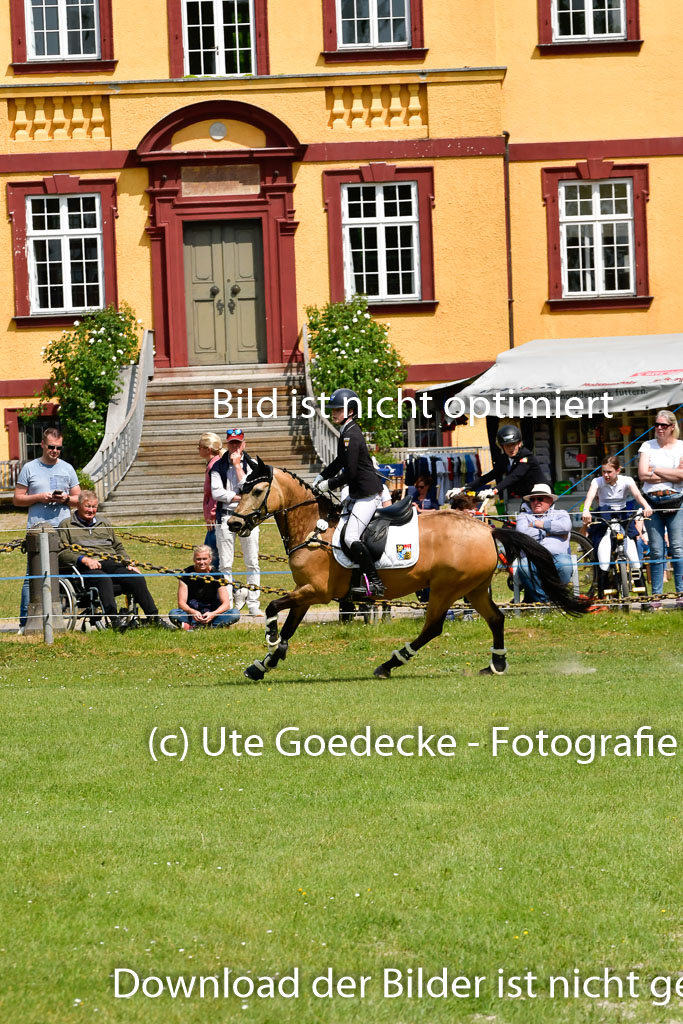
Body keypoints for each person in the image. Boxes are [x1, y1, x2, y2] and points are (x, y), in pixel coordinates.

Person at [58, 491, 173, 629]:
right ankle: (114, 620)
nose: (91, 510)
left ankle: (153, 618)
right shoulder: (66, 525)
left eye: (94, 507)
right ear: (79, 506)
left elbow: (117, 546)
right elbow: (62, 552)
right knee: (103, 579)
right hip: (86, 567)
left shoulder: (104, 522)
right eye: (88, 506)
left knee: (136, 578)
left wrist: (127, 562)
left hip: (110, 561)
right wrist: (84, 559)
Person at [314, 388, 385, 597]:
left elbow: (351, 471)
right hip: (357, 493)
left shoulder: (351, 434)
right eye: (333, 409)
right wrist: (322, 475)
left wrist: (329, 484)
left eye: (338, 409)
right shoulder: (347, 430)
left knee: (350, 536)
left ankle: (375, 582)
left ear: (351, 411)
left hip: (367, 495)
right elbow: (340, 461)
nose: (334, 413)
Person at [13, 427, 81, 633]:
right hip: (37, 529)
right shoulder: (30, 468)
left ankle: (59, 617)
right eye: (51, 447)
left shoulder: (68, 468)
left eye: (58, 448)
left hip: (63, 528)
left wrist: (66, 499)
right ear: (42, 445)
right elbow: (17, 499)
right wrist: (39, 497)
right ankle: (25, 622)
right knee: (32, 577)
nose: (55, 451)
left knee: (65, 571)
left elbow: (80, 499)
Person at [582, 456, 652, 597]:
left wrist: (646, 506)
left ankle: (644, 600)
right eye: (603, 472)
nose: (606, 475)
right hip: (604, 515)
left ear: (618, 470)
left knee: (633, 555)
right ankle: (602, 598)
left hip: (623, 516)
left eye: (609, 472)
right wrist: (586, 510)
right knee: (603, 555)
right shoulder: (597, 481)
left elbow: (637, 495)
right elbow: (590, 496)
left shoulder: (627, 480)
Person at [211, 427, 262, 615]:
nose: (234, 446)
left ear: (244, 444)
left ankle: (254, 604)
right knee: (225, 563)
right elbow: (217, 493)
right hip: (226, 516)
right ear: (227, 443)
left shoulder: (253, 464)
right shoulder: (217, 466)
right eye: (231, 443)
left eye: (238, 443)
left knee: (252, 561)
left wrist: (239, 466)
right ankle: (229, 604)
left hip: (248, 518)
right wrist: (241, 497)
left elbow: (249, 487)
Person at [638, 409, 683, 610]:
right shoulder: (647, 445)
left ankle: (681, 594)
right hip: (652, 501)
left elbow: (682, 477)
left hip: (676, 500)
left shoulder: (681, 446)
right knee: (656, 550)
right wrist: (671, 474)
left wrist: (654, 470)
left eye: (663, 425)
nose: (659, 428)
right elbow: (642, 474)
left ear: (672, 427)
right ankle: (656, 596)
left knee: (677, 548)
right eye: (656, 424)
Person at [453, 423, 548, 508]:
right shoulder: (505, 459)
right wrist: (463, 488)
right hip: (528, 498)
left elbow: (514, 476)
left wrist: (494, 490)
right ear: (502, 446)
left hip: (542, 497)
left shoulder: (526, 457)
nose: (511, 448)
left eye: (513, 444)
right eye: (507, 445)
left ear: (519, 444)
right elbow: (490, 475)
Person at [515, 483, 573, 603]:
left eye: (540, 498)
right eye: (533, 499)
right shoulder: (523, 516)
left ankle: (558, 599)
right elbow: (523, 534)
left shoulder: (561, 513)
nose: (536, 502)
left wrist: (538, 524)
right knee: (524, 566)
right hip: (532, 557)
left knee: (565, 565)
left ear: (550, 501)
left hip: (558, 556)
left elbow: (565, 527)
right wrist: (550, 532)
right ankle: (544, 602)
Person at [169, 545, 240, 630]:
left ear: (210, 559)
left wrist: (213, 614)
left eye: (204, 559)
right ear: (194, 560)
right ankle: (211, 626)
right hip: (192, 613)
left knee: (234, 614)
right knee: (173, 613)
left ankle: (196, 627)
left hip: (212, 612)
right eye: (198, 559)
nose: (202, 562)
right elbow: (181, 603)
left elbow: (226, 604)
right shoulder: (186, 574)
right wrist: (192, 612)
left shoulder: (217, 575)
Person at [198, 431, 225, 570]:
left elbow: (215, 493)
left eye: (200, 446)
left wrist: (212, 515)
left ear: (208, 449)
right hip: (213, 516)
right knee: (211, 554)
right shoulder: (212, 463)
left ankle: (222, 589)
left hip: (216, 518)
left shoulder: (214, 465)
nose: (198, 449)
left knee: (212, 556)